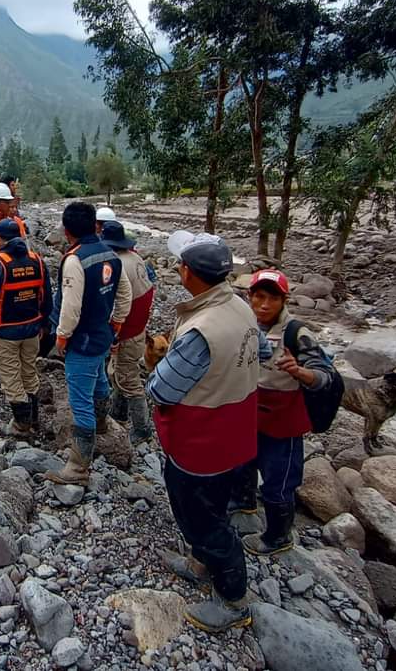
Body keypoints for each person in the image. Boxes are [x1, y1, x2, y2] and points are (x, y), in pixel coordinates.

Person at [147, 231, 271, 633]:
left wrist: (159, 361)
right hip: (235, 432)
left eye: (180, 264)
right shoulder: (240, 307)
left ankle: (234, 600)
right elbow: (262, 353)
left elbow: (161, 389)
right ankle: (200, 562)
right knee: (214, 507)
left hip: (201, 442)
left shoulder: (201, 330)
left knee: (204, 519)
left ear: (189, 273)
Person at [233, 269, 333, 556]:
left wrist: (301, 373)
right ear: (250, 297)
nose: (264, 305)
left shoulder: (296, 332)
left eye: (272, 298)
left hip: (282, 421)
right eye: (259, 297)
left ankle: (278, 536)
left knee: (279, 481)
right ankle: (243, 502)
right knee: (241, 462)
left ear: (284, 300)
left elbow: (325, 374)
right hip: (248, 410)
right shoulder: (244, 324)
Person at [44, 202, 132, 487]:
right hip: (102, 334)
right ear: (96, 225)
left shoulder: (75, 259)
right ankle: (103, 423)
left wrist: (61, 335)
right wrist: (117, 320)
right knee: (100, 382)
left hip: (81, 340)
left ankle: (78, 468)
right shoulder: (111, 253)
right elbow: (124, 290)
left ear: (67, 230)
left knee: (80, 399)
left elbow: (71, 305)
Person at [0, 219, 53, 435]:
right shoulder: (37, 260)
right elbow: (47, 298)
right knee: (29, 372)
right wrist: (45, 323)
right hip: (32, 330)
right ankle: (34, 419)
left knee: (10, 378)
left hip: (5, 332)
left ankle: (22, 424)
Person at [99, 221, 156, 444]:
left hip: (127, 329)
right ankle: (118, 413)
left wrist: (112, 333)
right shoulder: (136, 258)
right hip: (138, 326)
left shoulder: (115, 265)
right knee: (120, 371)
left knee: (128, 377)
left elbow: (116, 304)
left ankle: (142, 428)